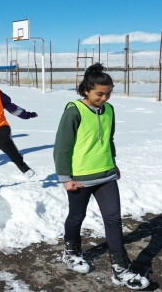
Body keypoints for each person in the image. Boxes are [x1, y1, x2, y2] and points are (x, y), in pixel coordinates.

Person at [53, 63, 149, 290]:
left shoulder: (110, 110)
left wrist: (113, 164)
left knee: (114, 219)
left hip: (106, 174)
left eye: (108, 93)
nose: (104, 98)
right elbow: (62, 147)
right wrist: (65, 177)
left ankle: (120, 268)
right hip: (80, 177)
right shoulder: (74, 111)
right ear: (86, 90)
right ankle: (71, 253)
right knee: (77, 216)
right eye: (99, 93)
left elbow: (109, 139)